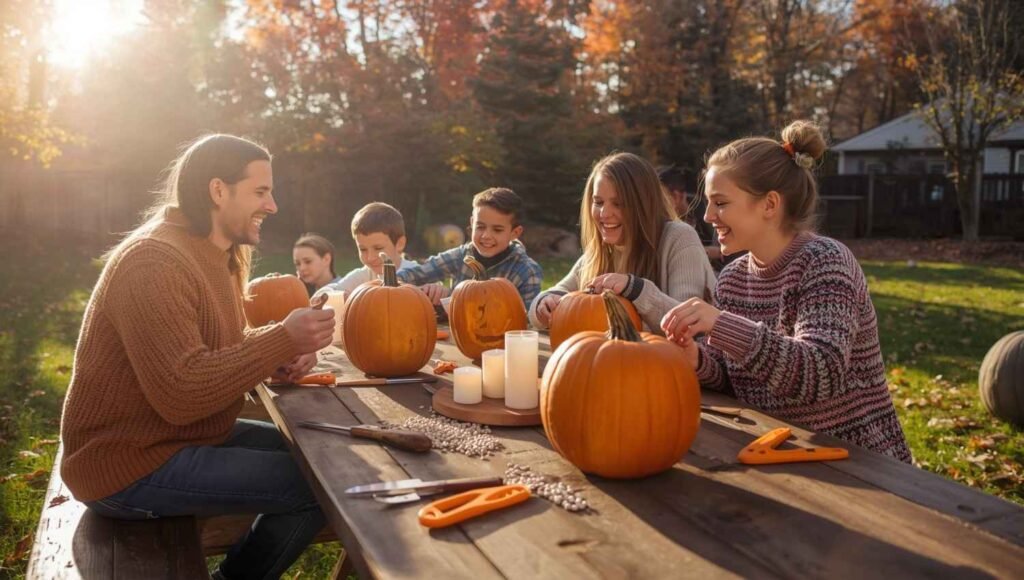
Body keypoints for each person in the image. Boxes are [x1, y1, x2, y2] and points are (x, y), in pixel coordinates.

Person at [59, 134, 336, 580]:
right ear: (218, 191)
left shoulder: (214, 253)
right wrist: (279, 340)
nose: (273, 206)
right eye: (261, 192)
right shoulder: (154, 261)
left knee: (322, 452)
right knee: (318, 485)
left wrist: (278, 353)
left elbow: (215, 347)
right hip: (127, 462)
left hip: (178, 435)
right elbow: (182, 392)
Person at [660, 121, 912, 463]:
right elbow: (742, 380)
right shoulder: (733, 278)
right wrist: (699, 360)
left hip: (857, 461)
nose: (707, 215)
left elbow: (820, 375)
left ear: (769, 204)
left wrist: (720, 323)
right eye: (708, 203)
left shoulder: (826, 262)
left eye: (720, 203)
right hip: (776, 452)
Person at [529, 152, 716, 333]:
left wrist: (636, 289)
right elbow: (555, 295)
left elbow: (689, 326)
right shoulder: (600, 252)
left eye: (618, 204)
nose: (604, 214)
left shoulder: (679, 237)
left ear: (643, 204)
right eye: (599, 202)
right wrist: (545, 304)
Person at [398, 187, 543, 308]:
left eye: (497, 230)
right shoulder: (459, 256)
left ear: (515, 233)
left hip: (503, 339)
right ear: (472, 223)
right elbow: (407, 276)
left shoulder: (527, 271)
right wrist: (422, 291)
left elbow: (528, 322)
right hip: (456, 338)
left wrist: (453, 298)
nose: (486, 235)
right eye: (480, 227)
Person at [316, 202, 417, 297]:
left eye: (378, 248)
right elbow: (327, 291)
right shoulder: (363, 276)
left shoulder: (418, 274)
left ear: (400, 244)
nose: (370, 258)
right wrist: (337, 296)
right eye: (363, 249)